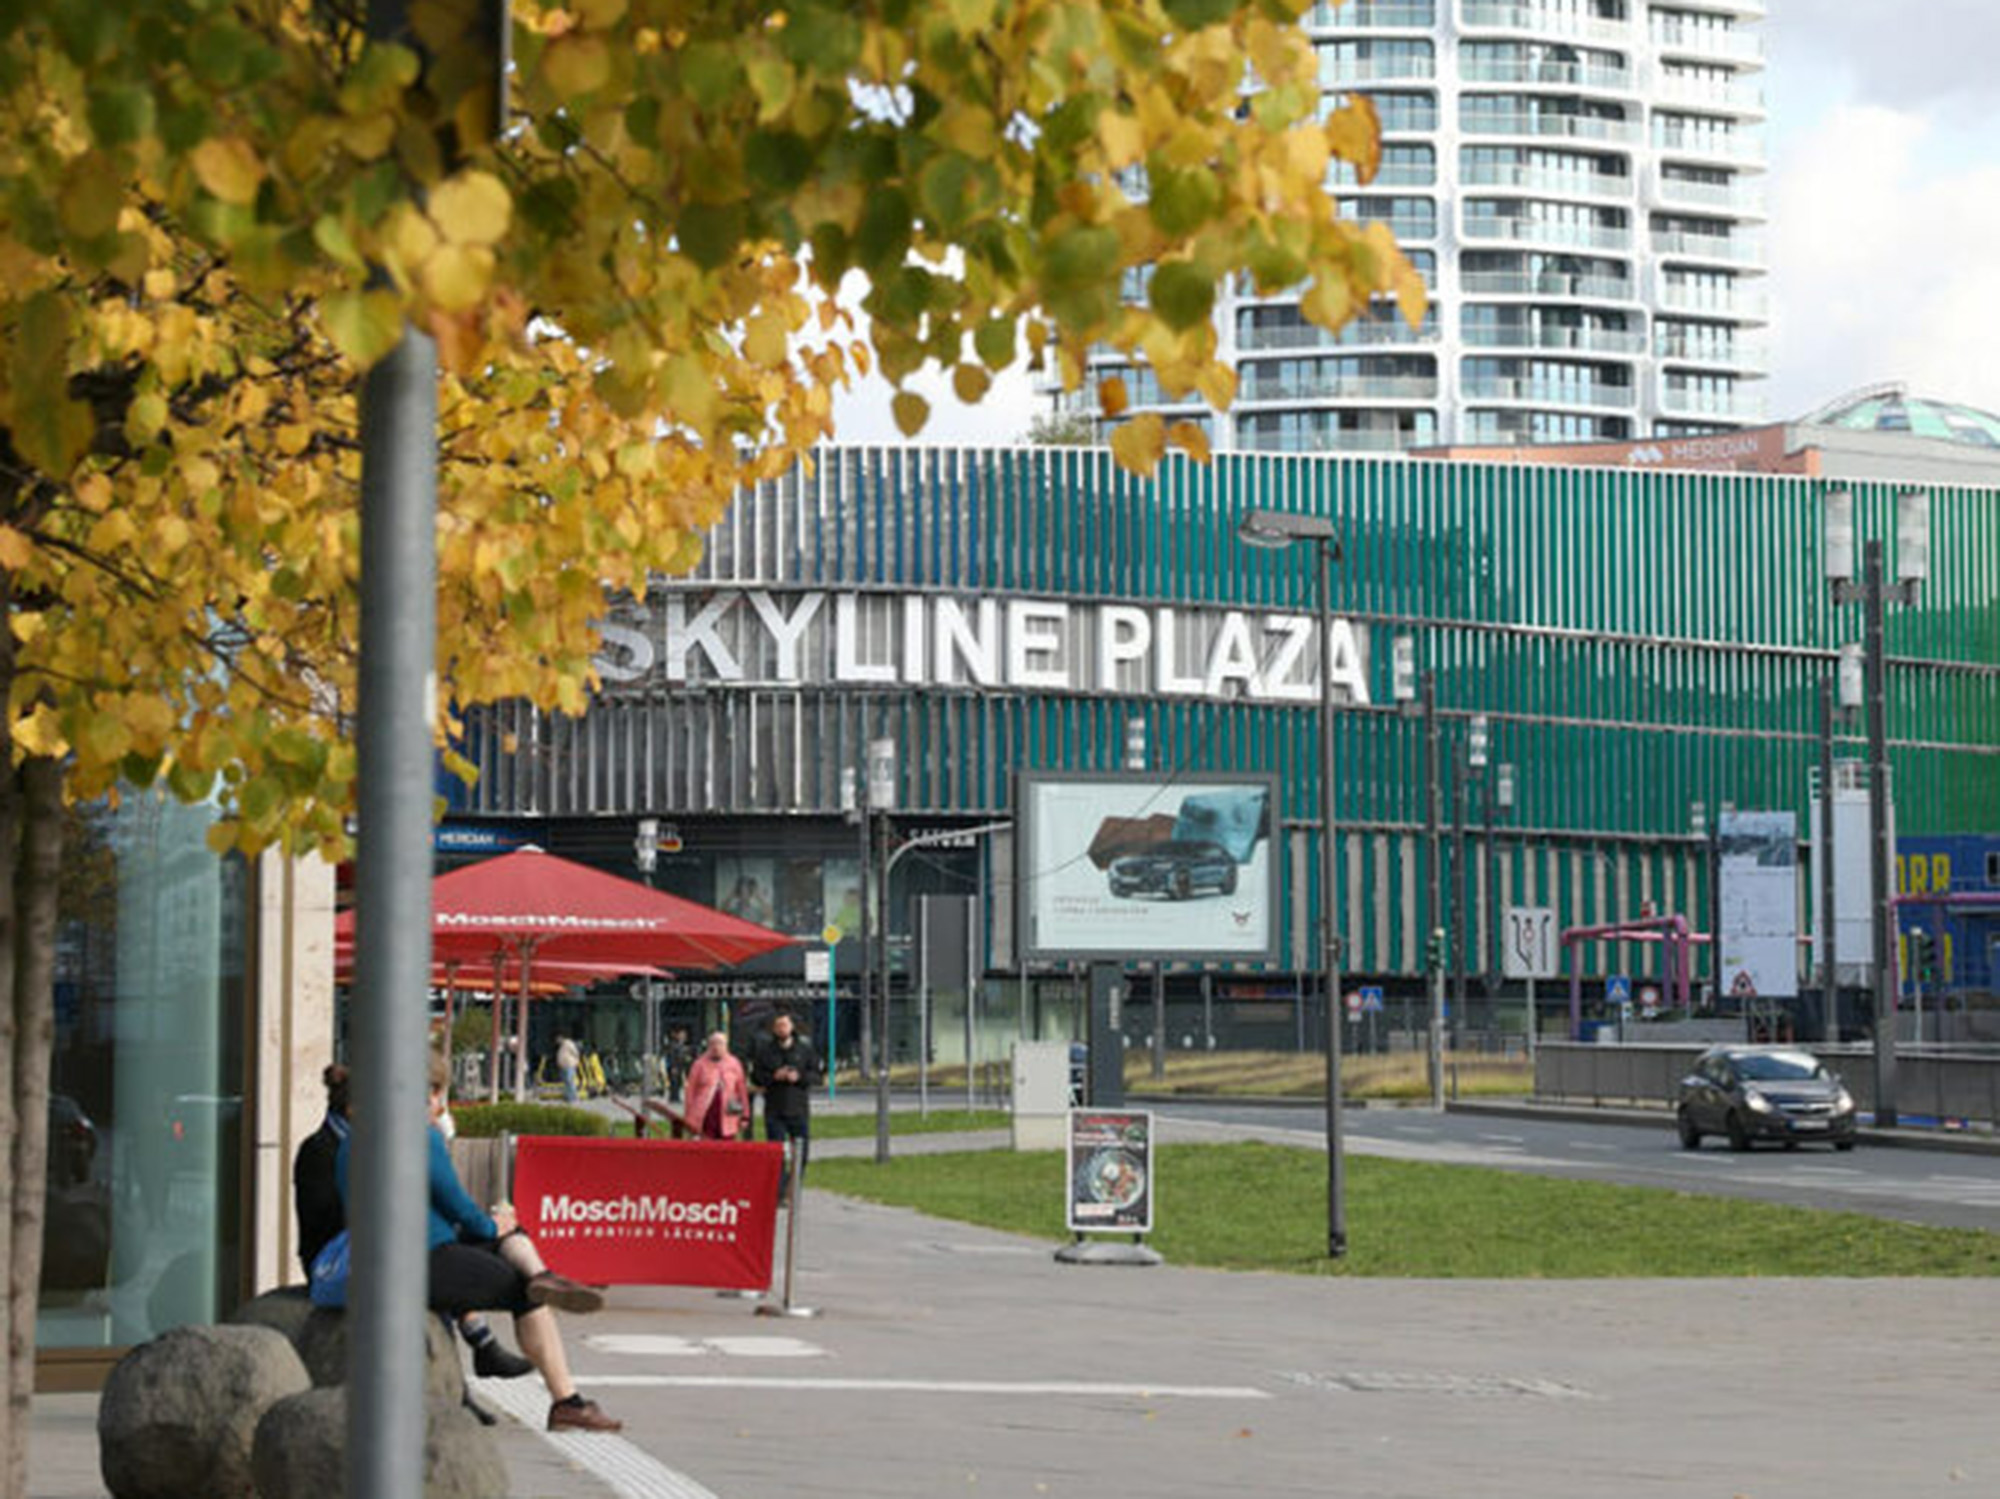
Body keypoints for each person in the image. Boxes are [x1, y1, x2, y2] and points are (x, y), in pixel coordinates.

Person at [335, 1054, 622, 1433]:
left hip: (381, 1256)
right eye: (439, 1097)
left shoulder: (352, 1138)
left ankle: (543, 1275)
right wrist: (493, 1225)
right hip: (423, 1259)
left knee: (510, 1244)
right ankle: (566, 1400)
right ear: (431, 1095)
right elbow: (458, 1205)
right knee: (521, 1286)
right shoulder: (419, 1135)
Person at [750, 1012, 822, 1192]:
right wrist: (774, 1076)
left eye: (785, 1025)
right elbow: (756, 1077)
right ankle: (779, 1191)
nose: (782, 1029)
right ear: (774, 1029)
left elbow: (817, 1076)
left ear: (792, 1027)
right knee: (776, 1154)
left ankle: (794, 1186)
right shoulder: (765, 1051)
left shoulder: (804, 1050)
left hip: (798, 1109)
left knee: (802, 1152)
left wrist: (799, 1077)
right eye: (778, 1026)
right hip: (775, 1110)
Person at [684, 1030, 750, 1140]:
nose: (716, 1047)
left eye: (720, 1043)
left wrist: (745, 1116)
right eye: (713, 1043)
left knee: (726, 1149)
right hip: (705, 1115)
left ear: (726, 1045)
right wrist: (689, 1116)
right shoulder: (699, 1064)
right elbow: (690, 1091)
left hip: (728, 1114)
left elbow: (741, 1090)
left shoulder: (734, 1063)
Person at [664, 1026, 693, 1104]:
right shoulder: (674, 1044)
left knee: (678, 1081)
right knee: (674, 1082)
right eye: (682, 1034)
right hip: (675, 1065)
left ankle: (675, 1097)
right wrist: (673, 1066)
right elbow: (672, 1055)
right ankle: (674, 1097)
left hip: (680, 1065)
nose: (683, 1036)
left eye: (684, 1034)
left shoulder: (681, 1044)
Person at [555, 1033, 581, 1104]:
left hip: (569, 1065)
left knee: (570, 1081)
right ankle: (568, 1097)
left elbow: (576, 1053)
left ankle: (574, 1098)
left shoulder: (568, 1043)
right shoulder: (561, 1046)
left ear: (560, 1037)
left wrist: (576, 1062)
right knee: (566, 1082)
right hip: (564, 1066)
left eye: (557, 1039)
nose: (556, 1041)